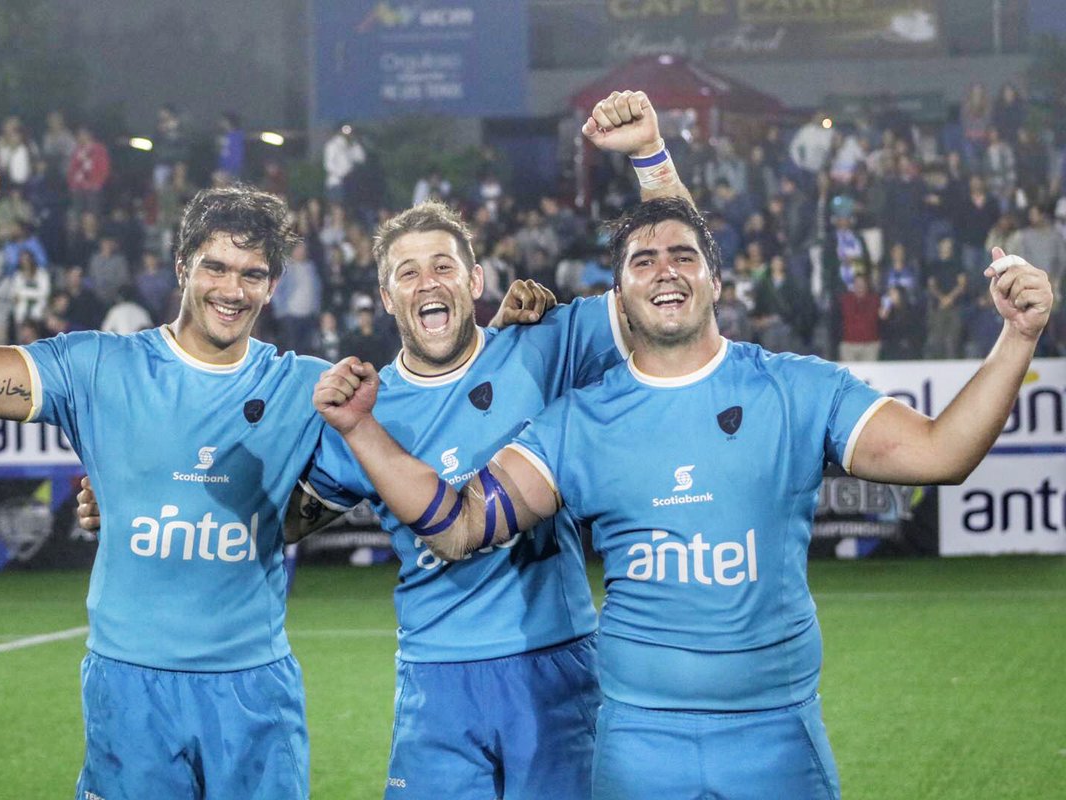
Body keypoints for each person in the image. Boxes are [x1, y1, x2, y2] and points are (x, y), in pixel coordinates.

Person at [313, 197, 1054, 800]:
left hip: (776, 735)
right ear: (621, 294)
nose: (665, 271)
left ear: (716, 280)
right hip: (638, 745)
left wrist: (1018, 337)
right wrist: (360, 429)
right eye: (643, 260)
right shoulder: (581, 420)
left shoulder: (795, 388)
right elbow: (461, 525)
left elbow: (943, 454)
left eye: (684, 256)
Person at [77, 90, 692, 800]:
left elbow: (673, 281)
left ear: (476, 281)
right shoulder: (364, 408)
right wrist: (130, 501)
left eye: (442, 265)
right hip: (434, 684)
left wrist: (650, 156)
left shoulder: (545, 344)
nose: (427, 281)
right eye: (407, 271)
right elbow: (274, 523)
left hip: (552, 668)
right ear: (384, 295)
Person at [0, 168, 324, 798]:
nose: (231, 290)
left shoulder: (307, 387)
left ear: (273, 286)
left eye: (252, 274)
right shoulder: (98, 366)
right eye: (215, 267)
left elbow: (383, 467)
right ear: (181, 267)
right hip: (131, 689)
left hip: (253, 690)